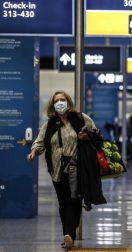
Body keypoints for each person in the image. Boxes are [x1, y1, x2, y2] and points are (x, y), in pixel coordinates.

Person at [27, 90, 103, 250]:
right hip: (56, 170)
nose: (59, 103)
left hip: (77, 166)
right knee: (63, 203)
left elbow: (98, 136)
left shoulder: (81, 119)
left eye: (62, 99)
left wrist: (87, 137)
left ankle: (69, 235)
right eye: (56, 101)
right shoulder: (50, 124)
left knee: (74, 200)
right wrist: (34, 151)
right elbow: (40, 141)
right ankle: (68, 235)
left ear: (68, 102)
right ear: (53, 105)